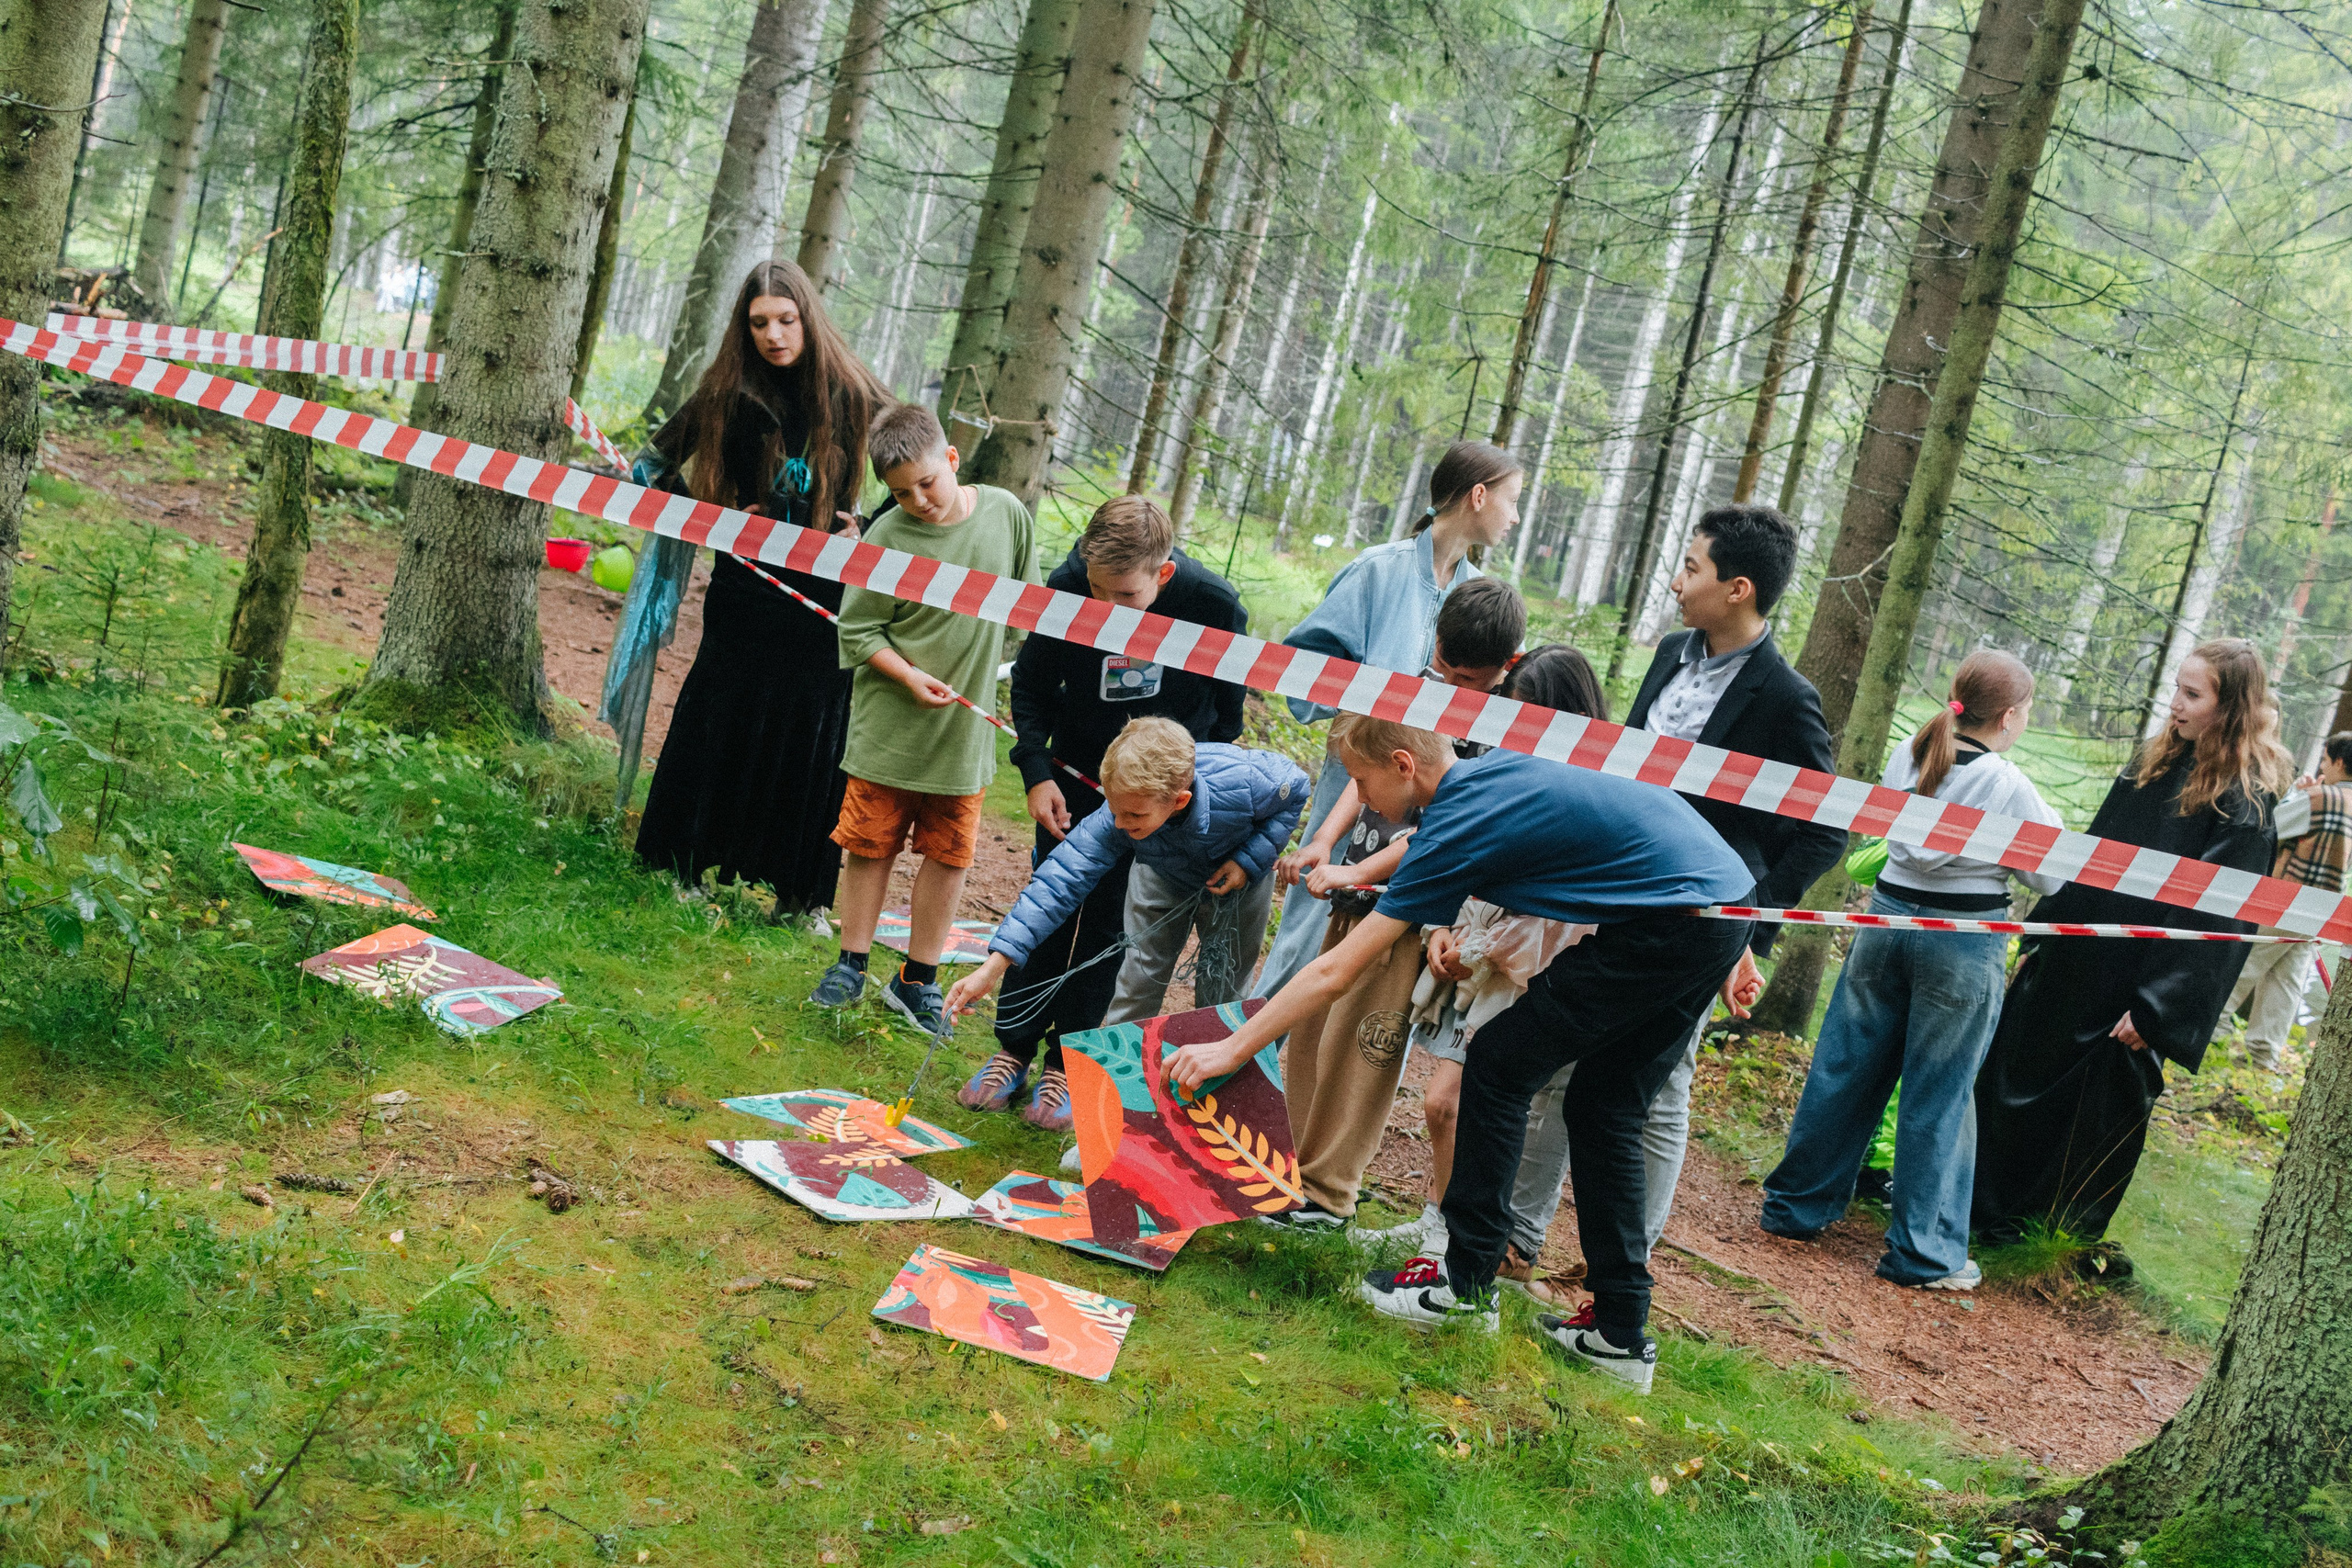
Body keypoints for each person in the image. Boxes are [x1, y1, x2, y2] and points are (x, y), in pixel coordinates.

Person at [1166, 716, 1757, 1395]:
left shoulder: (1461, 816)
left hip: (1674, 922)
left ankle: (1465, 1284)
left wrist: (1229, 1049)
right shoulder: (1481, 782)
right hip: (1718, 905)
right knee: (1606, 1105)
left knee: (1501, 1063)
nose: (1358, 795)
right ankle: (1619, 1333)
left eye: (1361, 781)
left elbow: (1337, 971)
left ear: (1402, 765)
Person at [1973, 638, 2290, 1261]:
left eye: (2192, 695)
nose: (2175, 705)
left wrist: (2157, 1009)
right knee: (2017, 1077)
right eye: (2176, 688)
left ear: (2232, 708)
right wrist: (2044, 935)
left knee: (2092, 1113)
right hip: (2076, 962)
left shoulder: (2244, 807)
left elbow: (2218, 921)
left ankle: (2046, 1241)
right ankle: (1978, 1208)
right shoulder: (2152, 766)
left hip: (2135, 986)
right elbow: (2091, 857)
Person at [1758, 650, 2064, 1291]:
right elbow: (2050, 873)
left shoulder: (1912, 750)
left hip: (1886, 922)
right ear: (2009, 716)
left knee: (1845, 1065)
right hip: (1962, 939)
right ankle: (1924, 1251)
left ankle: (1795, 1206)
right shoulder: (2010, 785)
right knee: (1941, 1090)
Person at [956, 497, 1250, 1129]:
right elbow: (1032, 687)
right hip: (1074, 780)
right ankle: (1012, 1047)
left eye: (1124, 596)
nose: (1105, 609)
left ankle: (1068, 1063)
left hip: (1159, 796)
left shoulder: (1213, 607)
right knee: (1051, 907)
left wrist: (1186, 799)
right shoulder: (1068, 589)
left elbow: (1228, 720)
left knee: (1116, 928)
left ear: (1163, 576)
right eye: (1095, 590)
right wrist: (1037, 773)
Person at [1615, 504, 1843, 1254]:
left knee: (1663, 1083)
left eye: (1691, 567)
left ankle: (1624, 1262)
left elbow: (1826, 825)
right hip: (1612, 888)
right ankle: (1522, 1238)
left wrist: (1750, 912)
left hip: (1699, 920)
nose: (1677, 581)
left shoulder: (1784, 697)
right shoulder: (1671, 651)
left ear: (1738, 588)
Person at [1267, 579, 1527, 1231]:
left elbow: (1433, 836)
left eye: (1458, 676)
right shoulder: (1412, 690)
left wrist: (1358, 868)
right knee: (1311, 1032)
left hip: (1407, 908)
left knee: (1362, 1045)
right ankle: (1287, 1167)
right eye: (1438, 667)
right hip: (1352, 894)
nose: (1444, 683)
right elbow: (1366, 770)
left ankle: (1328, 1190)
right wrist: (1325, 841)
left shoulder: (1493, 733)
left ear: (1503, 669)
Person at [633, 262, 887, 922]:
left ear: (807, 316)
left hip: (825, 601)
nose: (774, 335)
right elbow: (649, 465)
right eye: (759, 323)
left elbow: (921, 459)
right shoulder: (728, 392)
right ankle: (682, 865)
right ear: (744, 329)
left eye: (785, 319)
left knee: (812, 739)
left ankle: (800, 897)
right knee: (721, 720)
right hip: (745, 589)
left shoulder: (853, 392)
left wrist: (876, 527)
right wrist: (707, 516)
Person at [1353, 644, 1610, 1295]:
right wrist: (1440, 925)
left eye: (1529, 713)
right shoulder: (1502, 765)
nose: (1515, 726)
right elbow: (1452, 847)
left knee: (1452, 1102)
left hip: (1528, 959)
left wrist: (1479, 945)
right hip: (1474, 939)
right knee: (1443, 1106)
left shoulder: (1577, 787)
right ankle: (1443, 1225)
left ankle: (1468, 1247)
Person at [1252, 442, 1520, 1004]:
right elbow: (1303, 683)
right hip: (1351, 793)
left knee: (1378, 974)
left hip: (1426, 820)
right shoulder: (1377, 571)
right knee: (1305, 942)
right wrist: (1370, 710)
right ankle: (1246, 1068)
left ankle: (1314, 1089)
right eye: (1511, 501)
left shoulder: (1476, 597)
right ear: (1478, 496)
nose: (1514, 517)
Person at [808, 403, 1039, 1031]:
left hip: (963, 734)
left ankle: (918, 978)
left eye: (928, 483)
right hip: (890, 725)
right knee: (869, 842)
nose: (919, 500)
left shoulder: (1006, 516)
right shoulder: (885, 536)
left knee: (950, 853)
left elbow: (1027, 603)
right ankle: (851, 963)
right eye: (901, 492)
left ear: (953, 461)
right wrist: (908, 675)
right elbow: (858, 629)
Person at [945, 717, 1309, 1037]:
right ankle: (1121, 1087)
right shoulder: (1119, 819)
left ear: (1179, 801)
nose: (1119, 824)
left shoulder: (1247, 780)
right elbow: (1057, 882)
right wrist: (993, 966)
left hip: (1237, 882)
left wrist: (1250, 859)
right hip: (1161, 875)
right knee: (1139, 976)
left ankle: (1212, 1087)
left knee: (1223, 984)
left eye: (1133, 814)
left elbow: (1297, 788)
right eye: (1114, 808)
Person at [2218, 731, 2350, 1071]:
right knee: (2287, 979)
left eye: (2324, 760)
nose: (2322, 767)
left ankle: (2213, 1029)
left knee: (2245, 959)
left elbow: (2273, 827)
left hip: (2287, 896)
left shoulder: (2322, 797)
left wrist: (2301, 796)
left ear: (2338, 761)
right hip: (2324, 904)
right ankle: (2264, 1056)